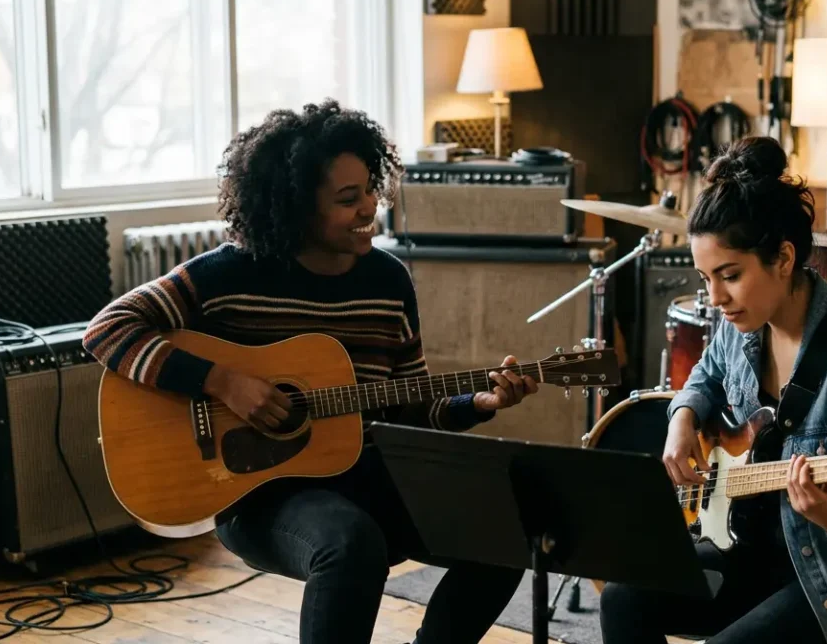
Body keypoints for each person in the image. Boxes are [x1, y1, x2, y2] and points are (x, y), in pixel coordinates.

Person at [84, 99, 538, 644]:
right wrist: (222, 381)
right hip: (253, 490)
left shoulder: (388, 283)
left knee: (502, 534)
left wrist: (481, 404)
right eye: (349, 199)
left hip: (365, 475)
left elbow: (411, 408)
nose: (371, 205)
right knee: (350, 543)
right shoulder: (228, 273)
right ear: (297, 206)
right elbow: (107, 330)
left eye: (372, 188)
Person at [598, 136, 827, 644]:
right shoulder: (742, 327)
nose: (716, 298)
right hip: (751, 549)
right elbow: (706, 375)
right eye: (706, 277)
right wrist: (682, 418)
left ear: (782, 257)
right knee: (622, 598)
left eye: (729, 276)